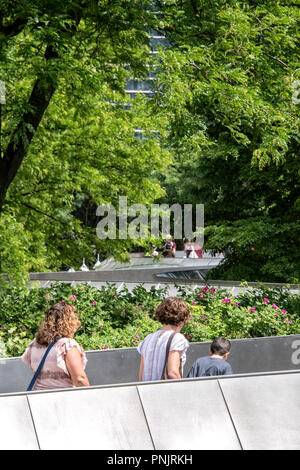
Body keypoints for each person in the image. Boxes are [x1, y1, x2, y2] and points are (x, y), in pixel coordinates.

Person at [22, 301, 90, 390]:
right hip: (61, 399)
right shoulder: (66, 345)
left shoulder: (35, 344)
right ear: (70, 321)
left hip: (37, 399)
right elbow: (79, 379)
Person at [137, 297, 190, 381]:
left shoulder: (148, 338)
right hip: (165, 391)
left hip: (146, 391)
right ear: (182, 320)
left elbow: (141, 377)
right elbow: (173, 372)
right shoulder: (177, 338)